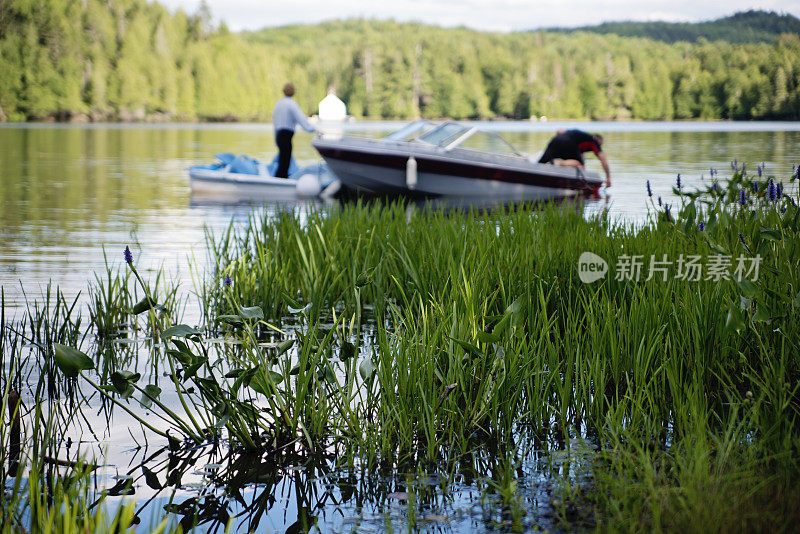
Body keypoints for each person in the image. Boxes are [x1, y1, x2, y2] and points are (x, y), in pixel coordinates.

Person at [539, 129, 611, 187]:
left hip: (556, 140)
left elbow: (559, 131)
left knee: (540, 164)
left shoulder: (581, 135)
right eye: (600, 145)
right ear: (597, 139)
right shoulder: (594, 141)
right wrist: (608, 178)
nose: (599, 147)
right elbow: (603, 160)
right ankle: (557, 163)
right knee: (580, 166)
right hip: (569, 143)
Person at [272, 83, 316, 178]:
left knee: (282, 159)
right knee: (285, 160)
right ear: (293, 92)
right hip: (286, 135)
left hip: (279, 135)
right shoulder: (292, 104)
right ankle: (281, 179)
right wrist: (313, 129)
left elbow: (275, 122)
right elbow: (302, 120)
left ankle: (279, 177)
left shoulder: (278, 104)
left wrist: (275, 137)